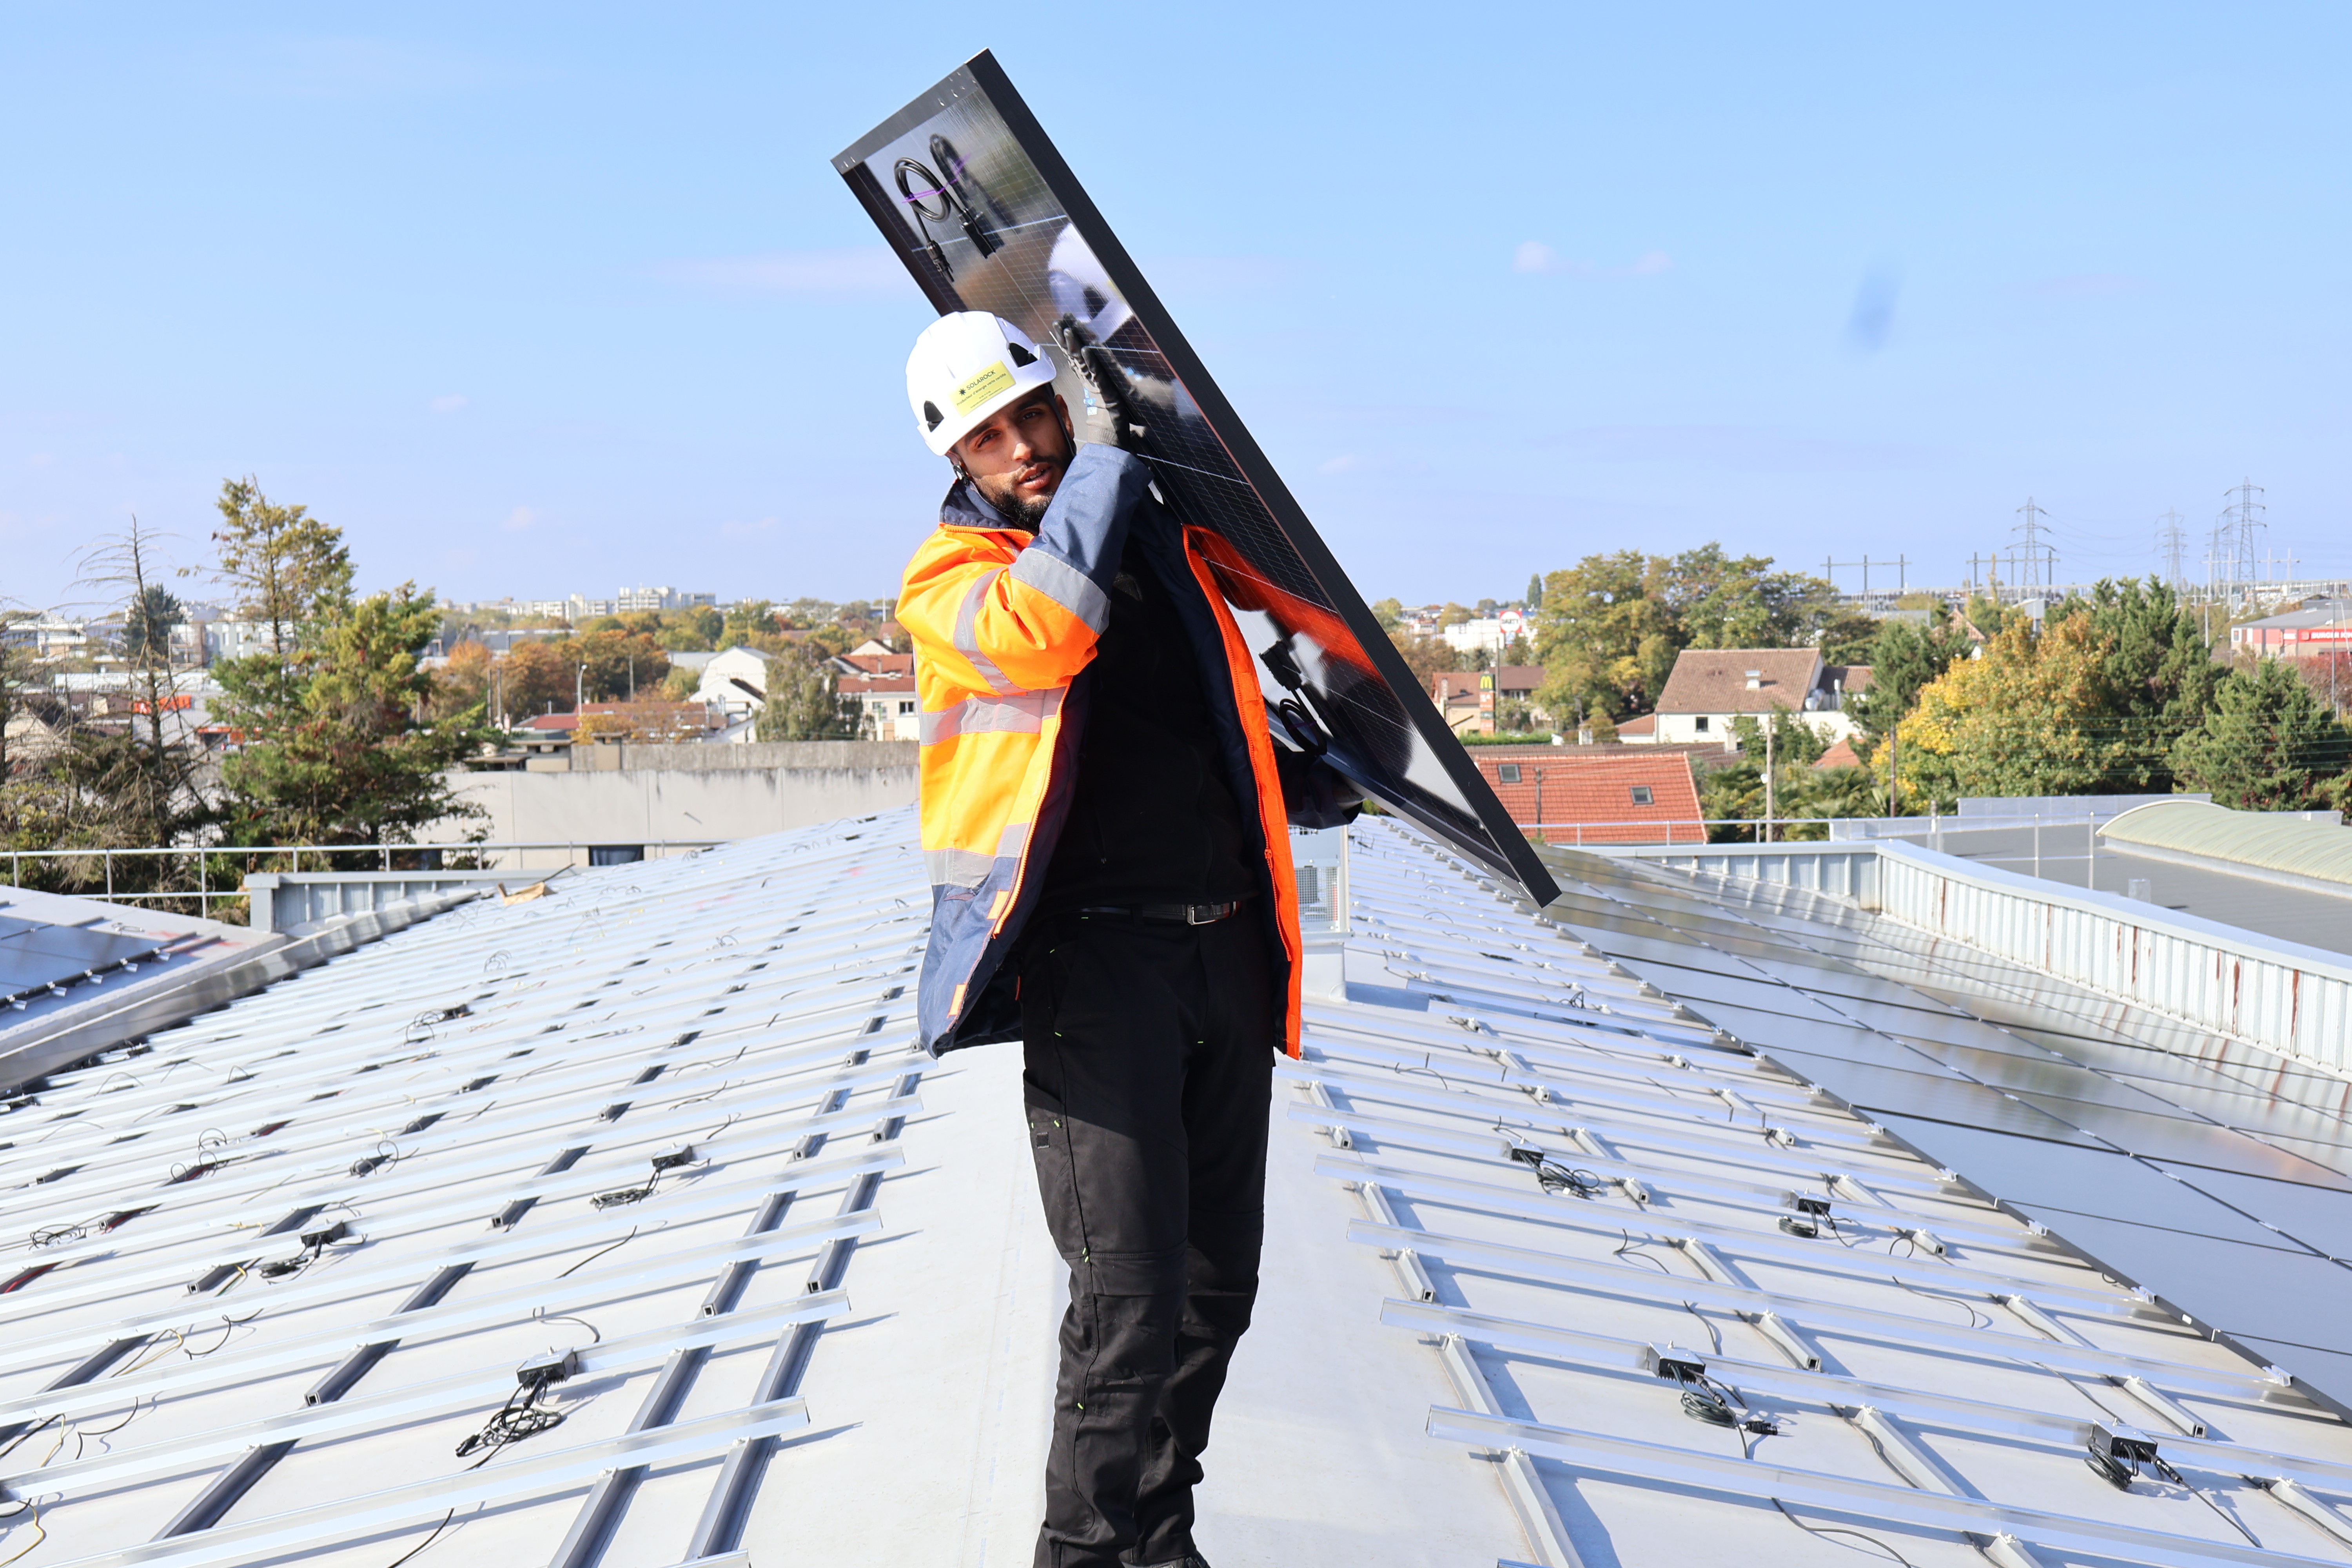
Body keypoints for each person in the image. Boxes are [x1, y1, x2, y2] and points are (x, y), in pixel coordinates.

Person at [896, 310, 1355, 1568]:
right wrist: (1105, 451)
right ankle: (1082, 1556)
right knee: (1125, 1301)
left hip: (1224, 951)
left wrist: (1308, 774)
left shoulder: (1157, 545)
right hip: (1098, 975)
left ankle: (1158, 1537)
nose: (1022, 450)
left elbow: (1195, 716)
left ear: (1057, 398)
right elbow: (1047, 632)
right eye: (991, 439)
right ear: (959, 461)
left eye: (1036, 415)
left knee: (1216, 1288)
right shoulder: (953, 584)